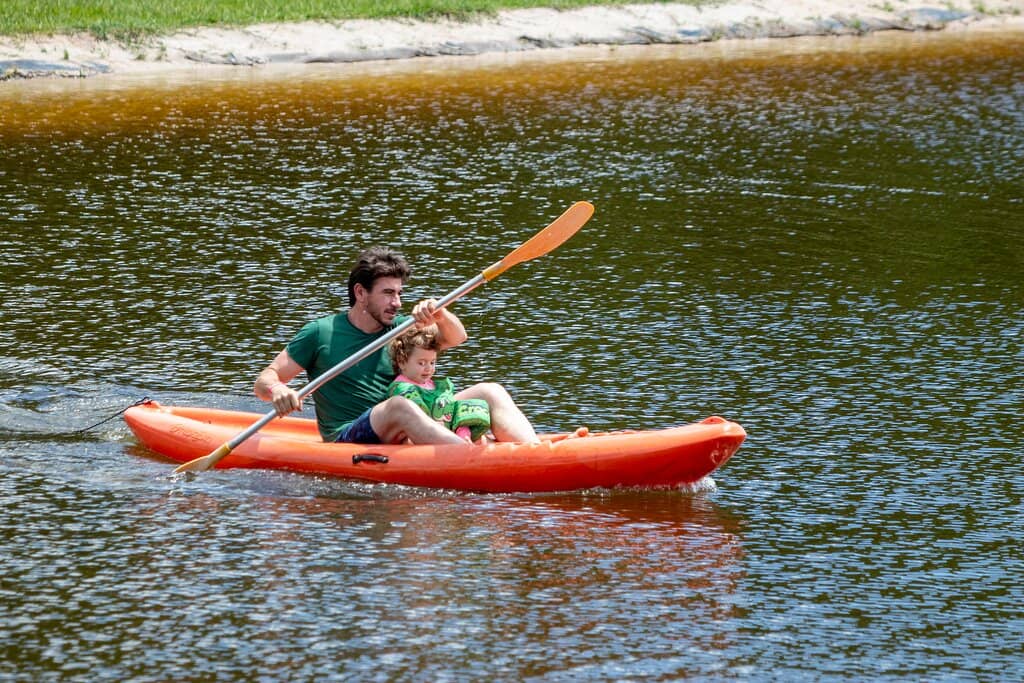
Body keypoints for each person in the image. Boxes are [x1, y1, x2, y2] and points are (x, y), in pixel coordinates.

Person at [255, 246, 539, 445]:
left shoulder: (403, 328)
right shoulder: (320, 332)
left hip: (413, 419)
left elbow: (456, 337)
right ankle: (467, 455)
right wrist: (278, 389)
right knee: (398, 406)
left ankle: (534, 452)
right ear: (360, 293)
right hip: (349, 433)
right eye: (388, 293)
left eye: (400, 293)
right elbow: (265, 380)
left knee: (490, 391)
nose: (398, 303)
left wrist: (440, 314)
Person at [387, 326, 491, 443]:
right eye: (421, 363)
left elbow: (453, 413)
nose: (429, 368)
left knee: (466, 408)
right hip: (419, 439)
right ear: (402, 362)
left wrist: (463, 433)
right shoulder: (402, 388)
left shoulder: (437, 387)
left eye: (432, 362)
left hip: (448, 437)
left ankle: (464, 439)